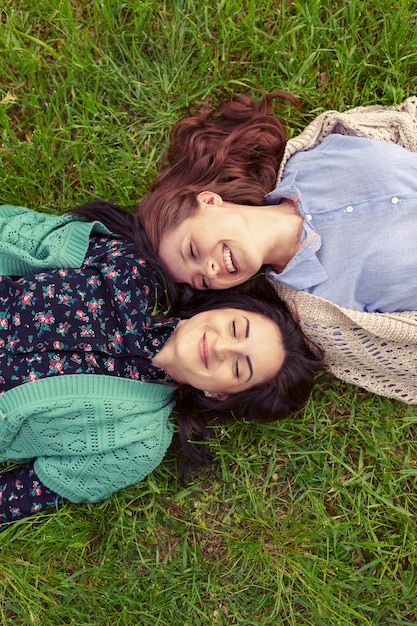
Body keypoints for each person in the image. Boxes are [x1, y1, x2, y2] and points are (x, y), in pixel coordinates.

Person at [0, 202, 322, 530]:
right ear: (224, 308)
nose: (222, 346)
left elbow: (26, 491)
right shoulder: (129, 267)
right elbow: (22, 238)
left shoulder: (138, 443)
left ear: (221, 394)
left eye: (239, 368)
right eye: (236, 328)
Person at [137, 93, 417, 404]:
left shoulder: (309, 160)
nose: (210, 269)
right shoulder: (324, 310)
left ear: (208, 202)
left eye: (192, 251)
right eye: (202, 281)